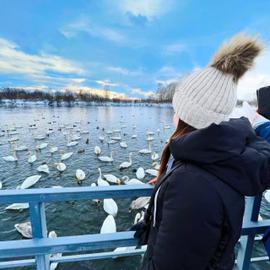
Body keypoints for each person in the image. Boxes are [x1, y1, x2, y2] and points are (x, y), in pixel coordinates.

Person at [138, 33, 270, 270]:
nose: (173, 114)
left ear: (190, 115)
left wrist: (174, 186)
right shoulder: (216, 157)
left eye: (176, 108)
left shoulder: (191, 184)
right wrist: (161, 199)